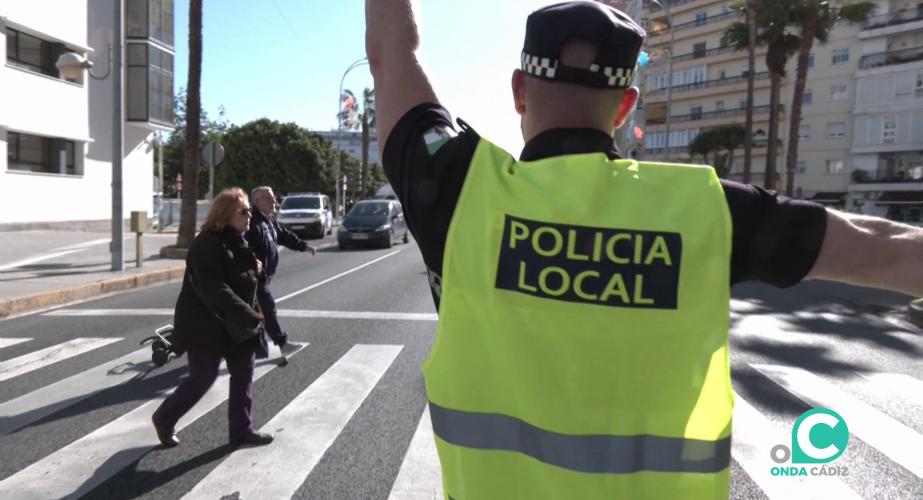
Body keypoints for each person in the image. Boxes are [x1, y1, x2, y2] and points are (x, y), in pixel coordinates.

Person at [365, 1, 923, 498]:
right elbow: (889, 248)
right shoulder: (704, 210)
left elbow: (392, 54)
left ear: (518, 91)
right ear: (625, 106)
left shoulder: (461, 190)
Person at [152, 187, 274, 448]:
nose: (249, 216)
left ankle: (241, 430)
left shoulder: (238, 239)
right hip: (205, 324)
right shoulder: (206, 244)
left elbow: (245, 277)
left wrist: (258, 271)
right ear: (224, 215)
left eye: (249, 211)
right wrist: (250, 316)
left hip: (236, 324)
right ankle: (164, 418)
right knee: (203, 377)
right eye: (243, 211)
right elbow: (214, 289)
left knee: (243, 374)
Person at [245, 186, 315, 365]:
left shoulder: (269, 219)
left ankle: (258, 349)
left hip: (264, 276)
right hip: (254, 277)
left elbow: (284, 235)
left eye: (274, 197)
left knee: (257, 313)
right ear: (257, 201)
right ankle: (282, 343)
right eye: (269, 198)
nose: (274, 201)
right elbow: (244, 247)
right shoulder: (252, 222)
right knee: (267, 307)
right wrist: (254, 265)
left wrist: (303, 246)